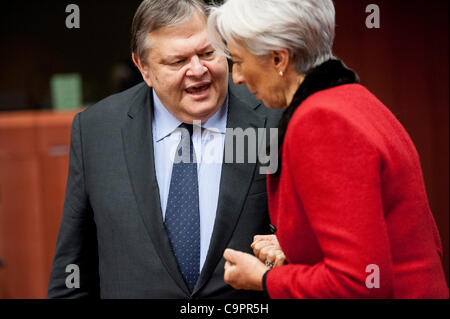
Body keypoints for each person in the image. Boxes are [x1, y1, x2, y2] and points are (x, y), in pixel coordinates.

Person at [208, 0, 449, 298]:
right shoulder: (353, 99)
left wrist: (264, 279)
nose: (237, 78)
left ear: (278, 59)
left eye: (240, 61)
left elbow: (358, 282)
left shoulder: (321, 121)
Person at [47, 0, 281, 299]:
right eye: (178, 61)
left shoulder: (274, 117)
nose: (198, 70)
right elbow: (73, 270)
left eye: (208, 53)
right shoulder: (97, 130)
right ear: (143, 68)